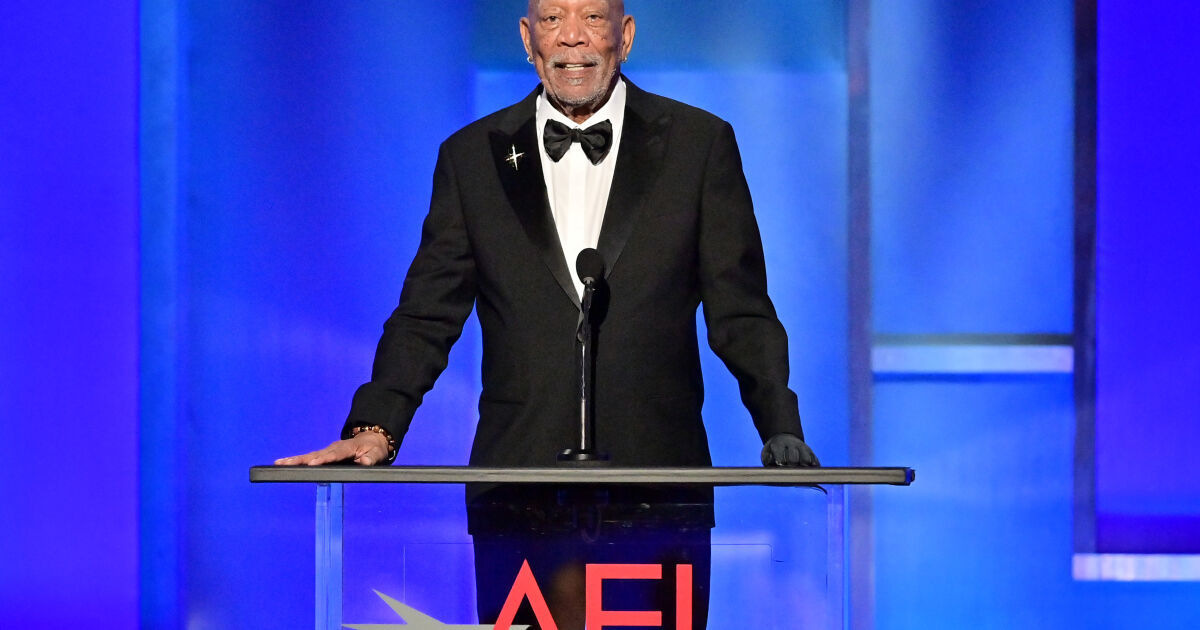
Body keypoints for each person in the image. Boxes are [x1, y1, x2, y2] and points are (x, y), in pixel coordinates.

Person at [277, 0, 818, 627]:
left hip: (658, 489)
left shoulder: (699, 145)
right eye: (554, 18)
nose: (572, 39)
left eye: (592, 18)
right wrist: (378, 425)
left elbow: (740, 307)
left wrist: (779, 426)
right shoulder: (472, 157)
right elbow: (427, 313)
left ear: (625, 36)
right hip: (518, 488)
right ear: (528, 38)